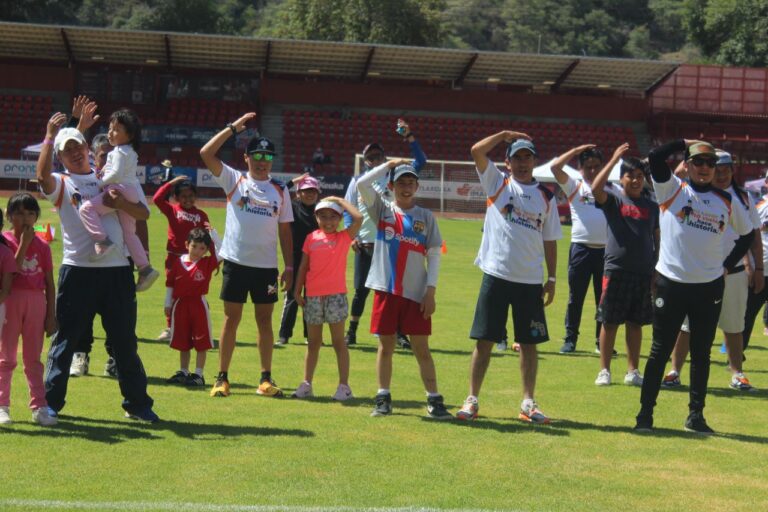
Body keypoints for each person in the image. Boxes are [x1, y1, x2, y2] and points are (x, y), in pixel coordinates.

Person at [37, 109, 158, 423]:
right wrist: (50, 137)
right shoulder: (62, 183)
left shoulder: (109, 177)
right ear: (60, 158)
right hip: (78, 271)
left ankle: (138, 405)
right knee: (66, 340)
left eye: (79, 146)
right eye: (68, 151)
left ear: (87, 149)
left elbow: (143, 214)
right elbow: (42, 177)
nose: (75, 153)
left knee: (125, 342)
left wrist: (121, 204)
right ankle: (50, 404)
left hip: (117, 271)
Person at [635, 140, 753, 435]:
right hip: (670, 284)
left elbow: (747, 235)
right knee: (659, 351)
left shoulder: (726, 200)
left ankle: (695, 416)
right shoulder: (672, 189)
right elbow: (655, 156)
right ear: (686, 165)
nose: (704, 168)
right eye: (698, 162)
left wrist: (727, 265)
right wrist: (685, 143)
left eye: (710, 163)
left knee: (701, 353)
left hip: (708, 288)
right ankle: (645, 415)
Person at [457, 134, 561, 424]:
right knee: (485, 340)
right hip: (497, 274)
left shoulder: (546, 196)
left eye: (528, 157)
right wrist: (504, 135)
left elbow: (550, 239)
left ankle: (528, 402)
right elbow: (476, 150)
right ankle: (472, 399)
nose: (523, 163)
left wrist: (552, 278)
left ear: (535, 161)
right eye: (517, 157)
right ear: (508, 162)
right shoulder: (497, 183)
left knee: (529, 343)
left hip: (530, 280)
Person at [199, 113, 294, 398]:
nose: (263, 161)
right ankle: (222, 378)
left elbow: (285, 231)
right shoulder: (234, 180)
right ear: (247, 158)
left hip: (265, 267)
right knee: (231, 320)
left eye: (268, 156)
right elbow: (206, 153)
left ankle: (265, 379)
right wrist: (231, 128)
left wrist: (289, 266)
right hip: (236, 263)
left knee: (265, 322)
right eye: (257, 156)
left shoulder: (280, 190)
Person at [357, 159, 450, 419]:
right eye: (401, 183)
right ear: (391, 186)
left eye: (411, 183)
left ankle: (434, 400)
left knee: (421, 348)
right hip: (386, 290)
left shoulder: (426, 216)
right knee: (386, 346)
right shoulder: (382, 209)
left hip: (416, 293)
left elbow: (434, 255)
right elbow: (362, 184)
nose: (406, 187)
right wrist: (388, 164)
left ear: (417, 186)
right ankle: (383, 398)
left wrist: (430, 291)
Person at [661, 150, 760, 391]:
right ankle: (675, 371)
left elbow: (753, 234)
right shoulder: (691, 192)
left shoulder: (743, 198)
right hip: (698, 274)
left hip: (732, 272)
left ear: (732, 171)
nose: (722, 175)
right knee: (686, 326)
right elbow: (675, 175)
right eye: (718, 169)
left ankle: (737, 373)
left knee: (734, 325)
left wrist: (758, 267)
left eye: (726, 170)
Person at [343, 118, 427, 348]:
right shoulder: (358, 181)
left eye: (378, 155)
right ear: (365, 161)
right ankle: (352, 331)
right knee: (361, 290)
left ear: (384, 157)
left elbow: (421, 161)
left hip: (391, 242)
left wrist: (409, 136)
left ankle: (398, 332)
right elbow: (349, 208)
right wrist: (352, 236)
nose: (374, 159)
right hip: (366, 242)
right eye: (370, 157)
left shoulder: (394, 176)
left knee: (393, 289)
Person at [590, 145, 660, 386]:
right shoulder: (614, 201)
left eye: (640, 176)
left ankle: (632, 371)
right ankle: (604, 370)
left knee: (635, 323)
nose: (636, 180)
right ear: (621, 179)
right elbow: (595, 188)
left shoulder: (651, 206)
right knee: (609, 322)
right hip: (616, 270)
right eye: (631, 176)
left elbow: (657, 239)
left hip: (643, 272)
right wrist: (613, 159)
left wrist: (656, 268)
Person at [76, 109, 159, 291]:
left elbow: (116, 174)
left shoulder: (120, 151)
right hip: (129, 191)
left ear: (129, 135)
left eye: (116, 130)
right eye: (110, 128)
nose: (110, 133)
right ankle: (145, 268)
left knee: (86, 210)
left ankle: (102, 241)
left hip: (119, 189)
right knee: (130, 234)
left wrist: (100, 183)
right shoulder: (130, 152)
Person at [292, 197, 362, 400]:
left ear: (339, 219)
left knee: (338, 342)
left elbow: (358, 218)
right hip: (313, 296)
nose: (328, 221)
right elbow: (304, 266)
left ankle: (344, 387)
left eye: (333, 217)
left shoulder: (344, 237)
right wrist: (297, 290)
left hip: (336, 296)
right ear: (316, 218)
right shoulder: (311, 238)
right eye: (323, 216)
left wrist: (339, 200)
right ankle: (307, 384)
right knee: (313, 343)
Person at [0, 193, 57, 426]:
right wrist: (23, 244)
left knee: (33, 358)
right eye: (20, 213)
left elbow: (50, 283)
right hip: (10, 300)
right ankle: (2, 406)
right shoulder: (4, 242)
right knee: (6, 357)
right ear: (9, 215)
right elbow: (9, 276)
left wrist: (51, 315)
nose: (25, 218)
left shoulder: (43, 246)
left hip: (36, 302)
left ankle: (39, 407)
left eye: (31, 213)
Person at [550, 145, 607, 354]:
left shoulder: (612, 189)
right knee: (576, 298)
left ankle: (602, 342)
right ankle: (570, 339)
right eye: (588, 167)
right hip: (581, 250)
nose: (592, 171)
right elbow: (555, 167)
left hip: (606, 252)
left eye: (596, 166)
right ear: (580, 169)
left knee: (604, 299)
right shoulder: (575, 186)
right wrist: (575, 150)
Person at [153, 176, 210, 342]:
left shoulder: (201, 215)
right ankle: (171, 328)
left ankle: (195, 327)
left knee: (193, 294)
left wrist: (213, 259)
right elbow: (157, 199)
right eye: (183, 196)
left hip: (194, 261)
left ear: (196, 196)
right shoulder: (172, 210)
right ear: (176, 197)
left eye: (191, 196)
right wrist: (171, 183)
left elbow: (209, 238)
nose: (187, 199)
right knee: (172, 293)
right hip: (174, 259)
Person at [165, 228, 219, 387]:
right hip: (180, 305)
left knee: (201, 341)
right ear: (187, 244)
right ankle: (183, 371)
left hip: (198, 305)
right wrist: (168, 303)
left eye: (202, 248)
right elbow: (170, 283)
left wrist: (214, 236)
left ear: (207, 250)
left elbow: (223, 253)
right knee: (183, 340)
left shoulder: (207, 263)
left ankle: (198, 374)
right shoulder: (178, 262)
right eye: (194, 246)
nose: (197, 251)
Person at [277, 174, 320, 345]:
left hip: (315, 261)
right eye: (306, 191)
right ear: (298, 193)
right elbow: (279, 191)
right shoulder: (292, 207)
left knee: (312, 298)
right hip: (294, 259)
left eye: (313, 191)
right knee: (292, 297)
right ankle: (284, 335)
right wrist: (294, 181)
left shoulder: (321, 211)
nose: (310, 194)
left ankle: (310, 336)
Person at [743, 170, 768, 353]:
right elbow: (745, 235)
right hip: (762, 270)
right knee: (747, 315)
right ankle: (735, 356)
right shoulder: (759, 206)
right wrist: (749, 265)